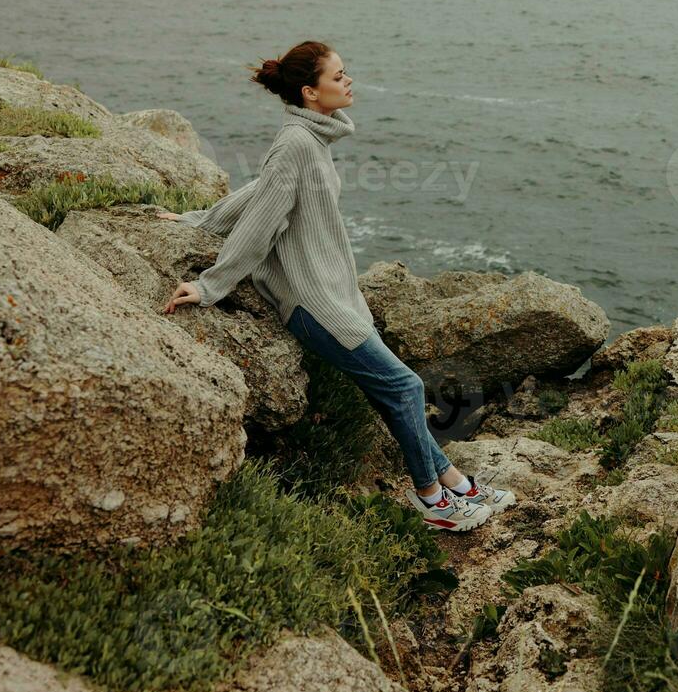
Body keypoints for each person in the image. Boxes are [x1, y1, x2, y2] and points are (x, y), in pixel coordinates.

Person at [158, 40, 514, 532]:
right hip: (312, 301)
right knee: (405, 385)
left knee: (393, 392)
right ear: (310, 92)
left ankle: (456, 482)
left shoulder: (310, 141)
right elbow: (262, 219)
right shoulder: (297, 145)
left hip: (333, 291)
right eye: (339, 76)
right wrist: (212, 284)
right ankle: (432, 500)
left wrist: (200, 218)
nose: (349, 81)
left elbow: (258, 190)